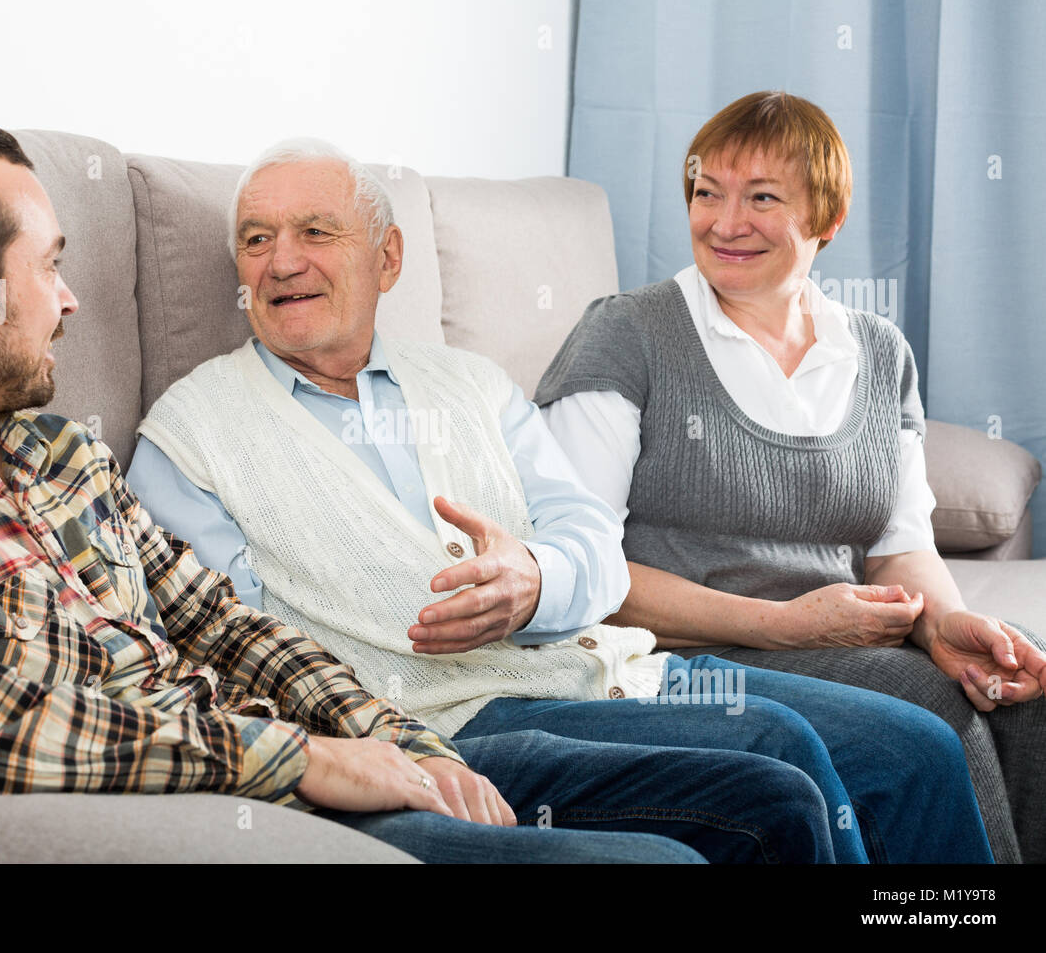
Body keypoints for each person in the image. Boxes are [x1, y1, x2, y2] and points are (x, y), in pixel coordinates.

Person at [0, 117, 748, 866]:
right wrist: (295, 759)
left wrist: (384, 734)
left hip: (316, 759)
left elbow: (225, 623)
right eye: (48, 264)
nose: (69, 298)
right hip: (236, 802)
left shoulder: (59, 457)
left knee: (765, 796)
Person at [128, 136, 993, 863]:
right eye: (255, 240)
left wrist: (535, 582)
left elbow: (590, 543)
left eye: (316, 231)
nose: (282, 262)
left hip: (608, 667)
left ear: (386, 258)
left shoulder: (471, 384)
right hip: (450, 718)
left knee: (914, 749)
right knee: (777, 751)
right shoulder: (189, 434)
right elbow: (226, 649)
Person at [534, 90, 1046, 864]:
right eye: (708, 193)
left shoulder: (878, 352)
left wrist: (943, 626)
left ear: (826, 220)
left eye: (762, 199)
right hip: (690, 653)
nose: (725, 222)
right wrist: (789, 625)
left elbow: (901, 546)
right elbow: (576, 569)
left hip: (842, 640)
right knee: (937, 705)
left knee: (1026, 687)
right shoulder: (629, 335)